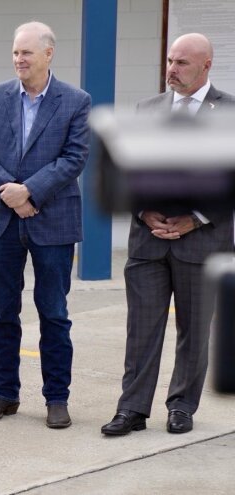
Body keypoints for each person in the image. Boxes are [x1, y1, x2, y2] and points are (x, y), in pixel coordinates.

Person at [101, 33, 234, 436]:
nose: (171, 70)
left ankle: (181, 406)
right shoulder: (147, 109)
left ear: (206, 65)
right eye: (170, 61)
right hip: (148, 242)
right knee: (141, 330)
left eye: (182, 63)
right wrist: (144, 211)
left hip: (204, 243)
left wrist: (196, 218)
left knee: (194, 332)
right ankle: (132, 409)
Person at [0, 21, 91, 429]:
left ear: (48, 54)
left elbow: (74, 157)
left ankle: (57, 398)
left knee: (54, 313)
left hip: (53, 220)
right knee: (3, 313)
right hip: (0, 220)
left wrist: (30, 192)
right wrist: (11, 193)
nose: (19, 59)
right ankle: (4, 393)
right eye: (16, 52)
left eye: (27, 53)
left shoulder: (76, 101)